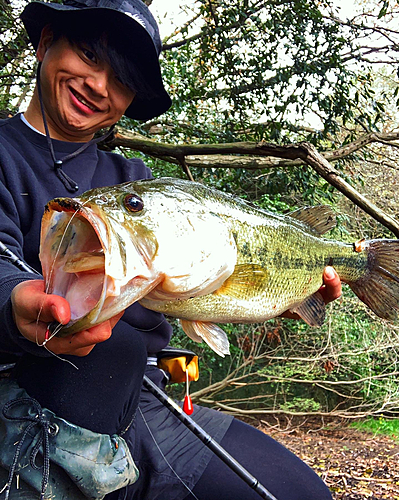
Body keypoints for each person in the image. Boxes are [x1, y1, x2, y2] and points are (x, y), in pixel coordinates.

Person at [0, 1, 342, 499]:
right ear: (47, 39)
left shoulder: (138, 181)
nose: (99, 86)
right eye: (90, 55)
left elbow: (202, 279)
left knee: (302, 494)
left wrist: (271, 292)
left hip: (147, 404)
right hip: (30, 407)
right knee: (104, 352)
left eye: (121, 80)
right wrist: (12, 307)